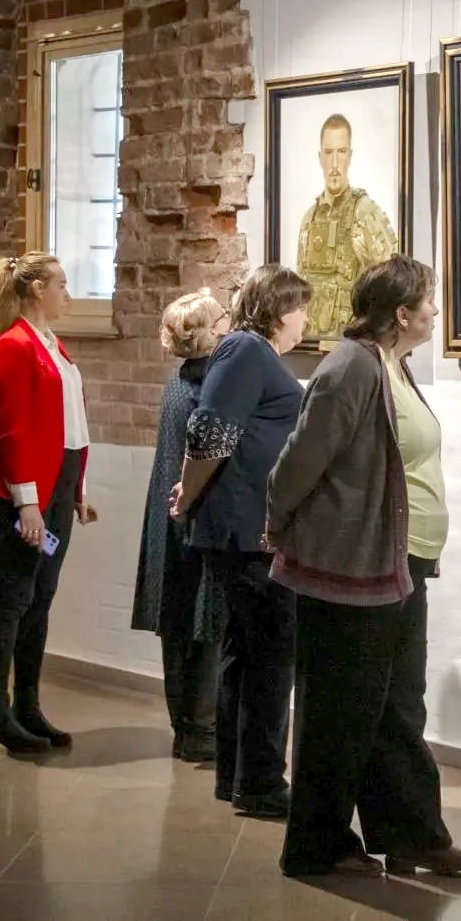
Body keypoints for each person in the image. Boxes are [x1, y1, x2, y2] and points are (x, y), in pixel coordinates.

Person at [267, 254, 461, 878]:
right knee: (339, 710)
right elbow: (299, 461)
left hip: (398, 563)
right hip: (353, 568)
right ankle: (315, 844)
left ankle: (413, 834)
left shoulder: (392, 364)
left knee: (396, 705)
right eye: (429, 301)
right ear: (402, 313)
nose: (437, 311)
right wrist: (276, 525)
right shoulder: (352, 367)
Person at [169, 264, 309, 818]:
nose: (305, 320)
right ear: (278, 310)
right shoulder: (245, 350)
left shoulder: (252, 353)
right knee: (269, 656)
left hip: (251, 527)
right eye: (300, 308)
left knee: (248, 652)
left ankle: (239, 776)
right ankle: (260, 782)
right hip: (247, 531)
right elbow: (210, 432)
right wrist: (187, 494)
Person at [0, 251, 98, 756]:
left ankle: (27, 706)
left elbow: (70, 425)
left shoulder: (52, 344)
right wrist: (27, 503)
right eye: (61, 284)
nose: (68, 294)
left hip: (56, 489)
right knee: (12, 601)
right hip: (21, 494)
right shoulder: (12, 346)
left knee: (39, 602)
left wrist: (77, 491)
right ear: (35, 291)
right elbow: (11, 431)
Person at [131, 288, 230, 763]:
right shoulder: (209, 387)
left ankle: (186, 728)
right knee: (202, 621)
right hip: (192, 512)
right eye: (221, 317)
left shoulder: (178, 382)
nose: (229, 322)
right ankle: (201, 730)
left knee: (178, 620)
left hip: (168, 511)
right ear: (207, 332)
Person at [296, 112, 399, 340]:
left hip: (352, 343)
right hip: (310, 344)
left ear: (350, 156)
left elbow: (396, 282)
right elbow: (299, 291)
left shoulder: (365, 212)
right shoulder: (309, 219)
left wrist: (371, 263)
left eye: (341, 152)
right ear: (320, 157)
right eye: (328, 152)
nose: (334, 164)